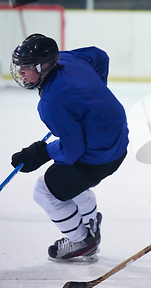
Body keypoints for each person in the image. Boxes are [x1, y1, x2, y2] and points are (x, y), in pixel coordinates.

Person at [9, 34, 129, 262]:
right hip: (118, 139)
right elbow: (100, 56)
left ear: (44, 66)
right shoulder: (68, 59)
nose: (21, 74)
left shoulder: (51, 102)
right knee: (66, 180)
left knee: (44, 191)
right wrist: (92, 100)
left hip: (101, 155)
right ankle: (91, 221)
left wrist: (41, 152)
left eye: (26, 68)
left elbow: (72, 151)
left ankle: (81, 240)